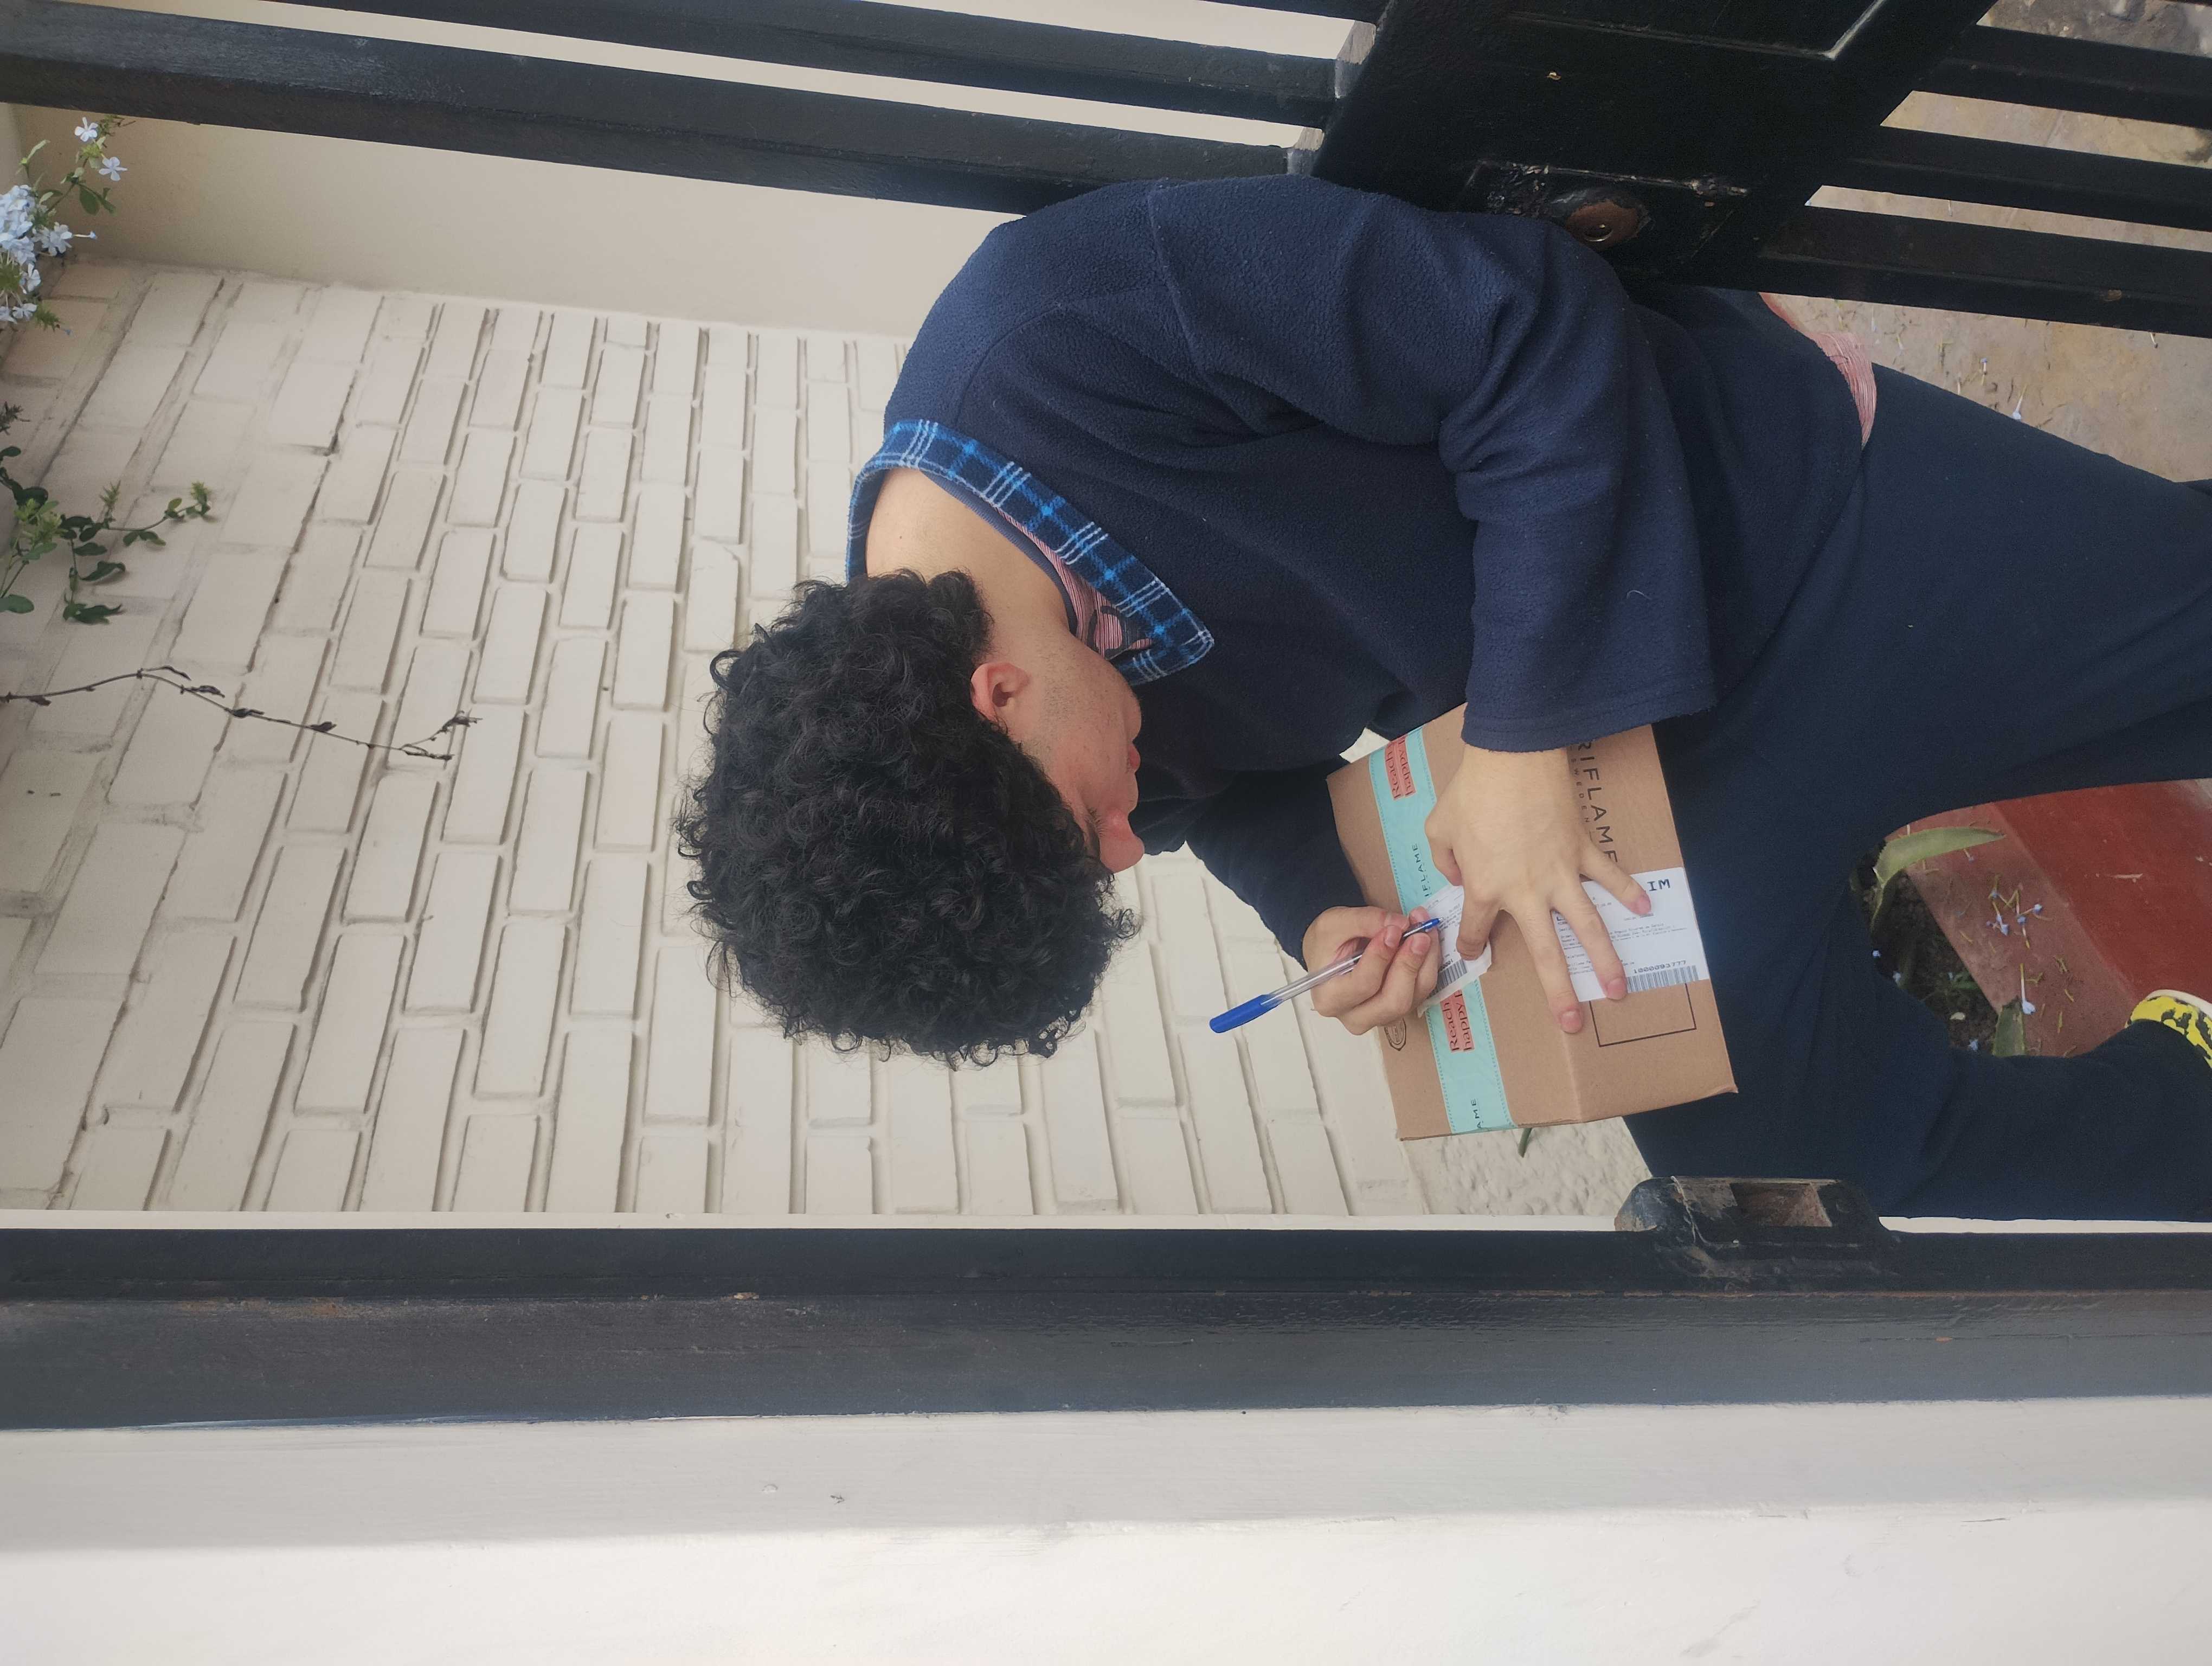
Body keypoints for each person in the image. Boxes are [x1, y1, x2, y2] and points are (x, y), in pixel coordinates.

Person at [677, 172, 2212, 1221]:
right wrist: (1319, 916)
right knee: (1797, 1172)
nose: (1132, 841)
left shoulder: (1066, 328)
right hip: (1641, 788)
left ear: (999, 691)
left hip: (1781, 532)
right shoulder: (978, 704)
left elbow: (1534, 327)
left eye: (1093, 831)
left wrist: (1530, 734)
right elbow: (1226, 798)